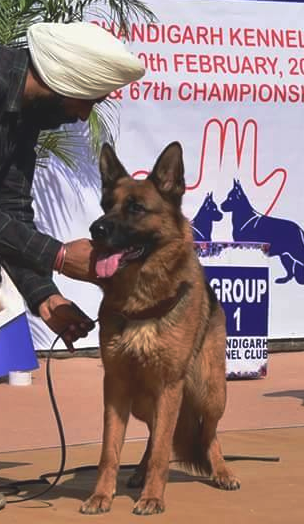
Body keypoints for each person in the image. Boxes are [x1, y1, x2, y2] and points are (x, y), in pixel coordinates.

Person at [0, 22, 143, 509]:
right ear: (65, 80)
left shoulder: (24, 116)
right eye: (90, 98)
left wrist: (46, 296)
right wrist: (59, 255)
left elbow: (11, 209)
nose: (85, 116)